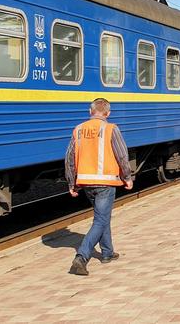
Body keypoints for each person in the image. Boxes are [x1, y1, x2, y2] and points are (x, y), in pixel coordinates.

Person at [65, 98, 133, 276]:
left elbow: (69, 159)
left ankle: (107, 253)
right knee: (101, 219)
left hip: (86, 182)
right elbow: (122, 155)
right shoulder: (111, 128)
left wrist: (72, 183)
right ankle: (81, 257)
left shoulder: (78, 129)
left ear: (90, 111)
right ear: (108, 113)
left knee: (102, 217)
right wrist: (127, 177)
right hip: (105, 182)